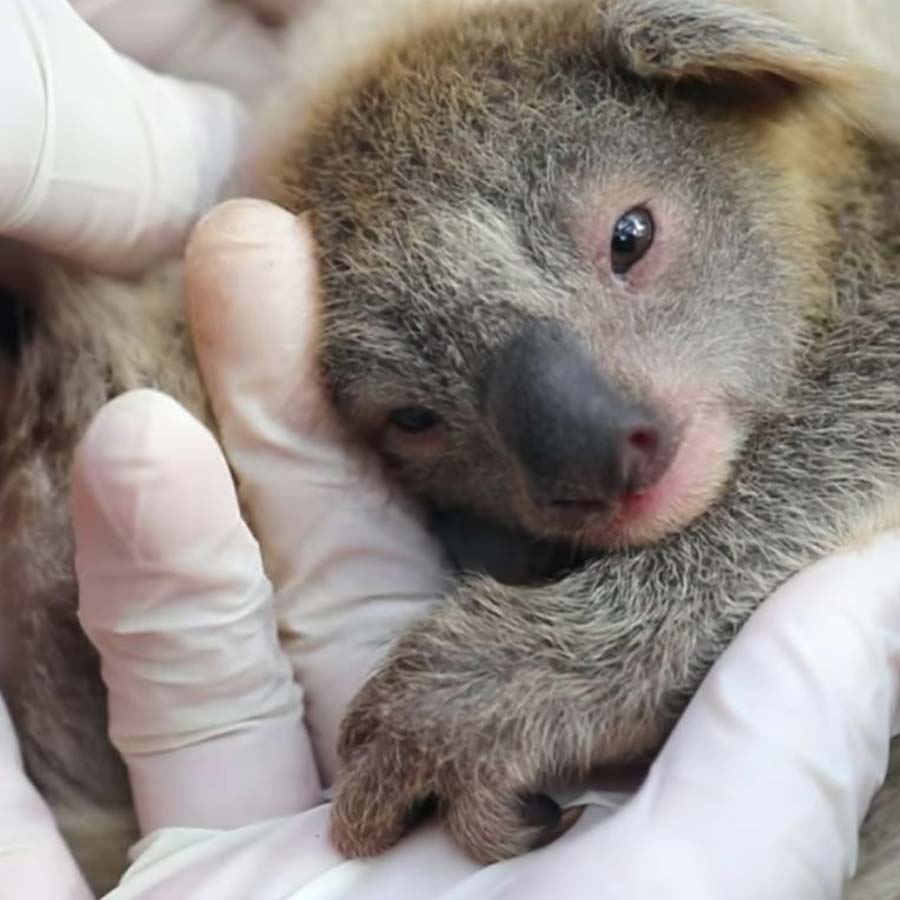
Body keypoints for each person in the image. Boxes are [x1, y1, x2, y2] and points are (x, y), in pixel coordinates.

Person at [2, 4, 900, 899]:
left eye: (629, 244)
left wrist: (611, 634)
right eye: (419, 421)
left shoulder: (818, 149)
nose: (580, 459)